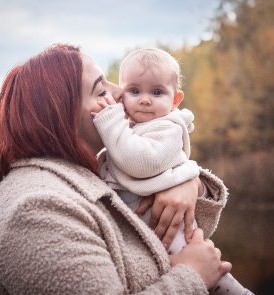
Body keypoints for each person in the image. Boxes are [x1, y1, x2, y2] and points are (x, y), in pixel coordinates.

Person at [0, 44, 232, 294]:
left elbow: (178, 226)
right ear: (61, 116)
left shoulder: (81, 174)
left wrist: (187, 182)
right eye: (101, 92)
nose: (120, 93)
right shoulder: (36, 209)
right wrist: (192, 277)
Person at [93, 48, 253, 295]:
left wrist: (110, 120)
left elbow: (139, 160)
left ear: (175, 101)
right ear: (121, 94)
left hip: (168, 230)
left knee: (219, 281)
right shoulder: (131, 126)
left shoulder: (168, 127)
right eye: (134, 91)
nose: (145, 99)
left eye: (157, 92)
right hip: (144, 228)